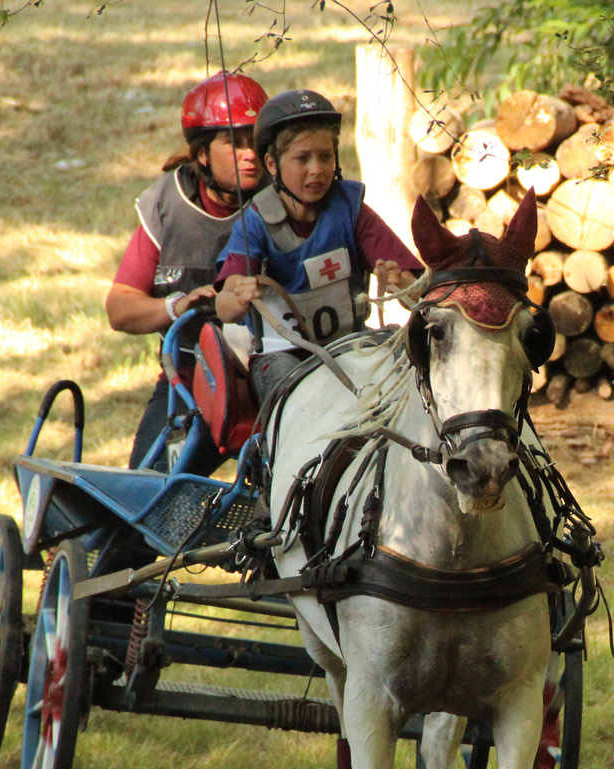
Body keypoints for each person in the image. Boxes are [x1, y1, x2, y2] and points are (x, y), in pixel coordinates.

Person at [212, 89, 423, 404]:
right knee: (297, 401)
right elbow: (223, 306)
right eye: (302, 158)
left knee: (408, 371)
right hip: (282, 357)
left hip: (350, 345)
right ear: (272, 163)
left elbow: (418, 292)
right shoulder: (255, 222)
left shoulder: (350, 209)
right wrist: (237, 297)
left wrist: (404, 284)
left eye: (326, 156)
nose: (317, 169)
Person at [106, 71, 269, 471]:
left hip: (272, 377)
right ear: (201, 154)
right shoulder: (168, 202)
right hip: (189, 379)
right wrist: (177, 307)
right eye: (234, 141)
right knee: (147, 502)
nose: (250, 154)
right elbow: (120, 309)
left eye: (257, 141)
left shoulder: (283, 199)